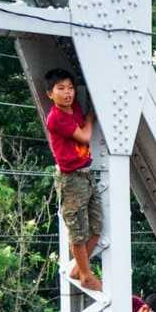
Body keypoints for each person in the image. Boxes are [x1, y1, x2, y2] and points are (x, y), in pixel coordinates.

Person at [43, 68, 101, 291]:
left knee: (97, 226)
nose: (67, 93)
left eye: (70, 88)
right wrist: (90, 118)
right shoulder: (56, 118)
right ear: (50, 94)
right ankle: (86, 275)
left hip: (86, 174)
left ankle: (79, 268)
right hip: (71, 179)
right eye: (61, 89)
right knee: (78, 231)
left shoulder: (73, 107)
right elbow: (85, 136)